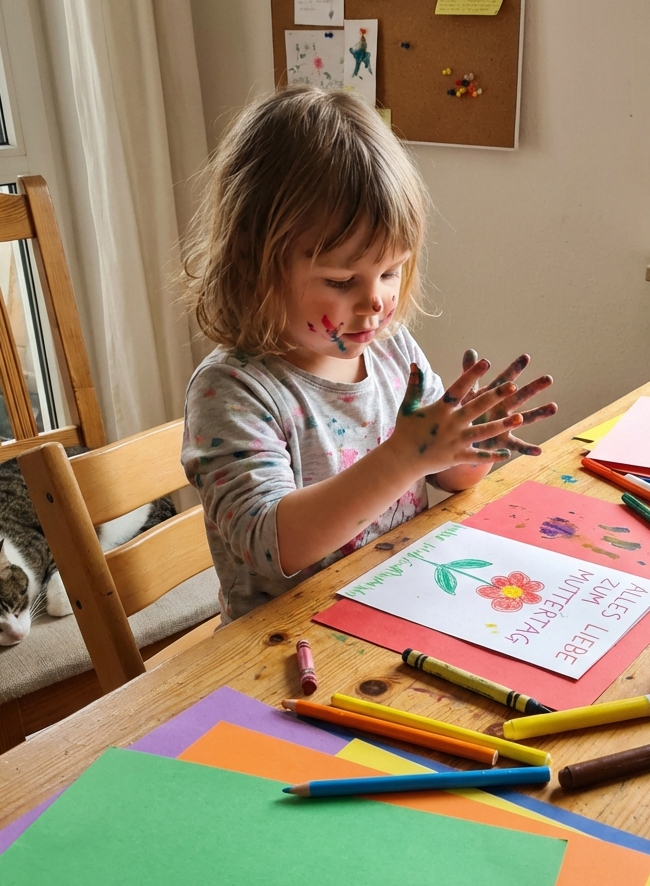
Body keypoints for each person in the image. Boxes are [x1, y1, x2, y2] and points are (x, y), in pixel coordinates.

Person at [182, 86, 556, 623]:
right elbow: (271, 545)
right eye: (340, 279)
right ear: (251, 261)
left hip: (399, 604)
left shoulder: (390, 348)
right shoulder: (232, 391)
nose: (377, 300)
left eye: (390, 271)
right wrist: (407, 455)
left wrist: (470, 444)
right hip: (287, 645)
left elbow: (449, 478)